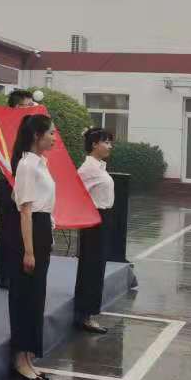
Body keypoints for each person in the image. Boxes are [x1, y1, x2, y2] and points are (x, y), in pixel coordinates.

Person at [7, 113, 56, 380]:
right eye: (50, 133)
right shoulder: (27, 165)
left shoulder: (41, 164)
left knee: (36, 296)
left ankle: (28, 357)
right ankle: (19, 359)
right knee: (24, 297)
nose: (54, 138)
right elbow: (25, 210)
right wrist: (29, 250)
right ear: (37, 136)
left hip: (41, 228)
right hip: (30, 232)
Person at [0, 89, 38, 290]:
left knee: (20, 229)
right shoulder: (3, 127)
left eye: (32, 105)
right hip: (8, 184)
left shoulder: (29, 130)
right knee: (8, 229)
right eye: (26, 106)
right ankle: (3, 273)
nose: (30, 109)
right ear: (15, 107)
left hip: (24, 183)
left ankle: (16, 270)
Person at [74, 127, 115, 334]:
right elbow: (76, 193)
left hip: (103, 219)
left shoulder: (99, 167)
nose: (110, 146)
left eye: (110, 142)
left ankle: (87, 313)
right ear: (94, 145)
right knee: (91, 268)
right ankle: (85, 315)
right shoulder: (88, 169)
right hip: (95, 221)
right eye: (106, 142)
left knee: (96, 267)